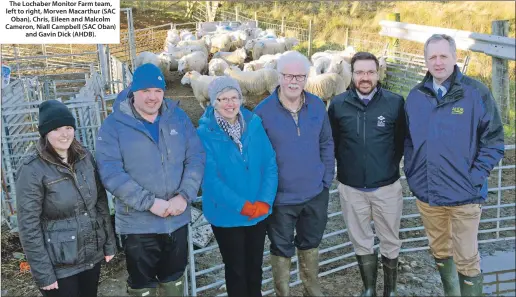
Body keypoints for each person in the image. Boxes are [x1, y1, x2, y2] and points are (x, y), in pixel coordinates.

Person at [404, 34, 505, 296]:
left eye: (443, 56)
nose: (438, 63)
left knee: (467, 257)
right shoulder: (415, 97)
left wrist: (474, 177)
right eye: (432, 57)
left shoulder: (475, 93)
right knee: (439, 249)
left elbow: (493, 141)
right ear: (425, 60)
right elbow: (409, 142)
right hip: (429, 195)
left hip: (465, 196)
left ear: (455, 57)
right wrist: (414, 175)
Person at [95, 63, 206, 296]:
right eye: (145, 91)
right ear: (133, 91)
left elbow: (195, 156)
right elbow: (111, 173)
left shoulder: (178, 117)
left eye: (157, 90)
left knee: (174, 280)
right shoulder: (113, 126)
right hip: (138, 225)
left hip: (176, 219)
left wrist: (184, 195)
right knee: (142, 285)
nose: (152, 97)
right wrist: (150, 203)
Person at [254, 50, 335, 297]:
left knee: (311, 243)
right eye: (288, 75)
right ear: (279, 76)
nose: (293, 81)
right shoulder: (262, 112)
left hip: (314, 193)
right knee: (281, 247)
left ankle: (312, 290)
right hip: (281, 198)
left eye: (299, 76)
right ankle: (283, 293)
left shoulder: (317, 106)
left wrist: (326, 179)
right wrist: (268, 192)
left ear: (306, 77)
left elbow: (326, 143)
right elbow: (257, 157)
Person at [15, 100, 116, 297]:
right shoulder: (32, 169)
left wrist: (109, 243)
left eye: (69, 127)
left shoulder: (84, 157)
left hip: (90, 256)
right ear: (45, 133)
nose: (65, 134)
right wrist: (43, 273)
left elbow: (100, 202)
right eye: (57, 129)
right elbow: (28, 225)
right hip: (59, 264)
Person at [328, 51, 406, 297]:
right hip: (351, 188)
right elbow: (333, 142)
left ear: (378, 73)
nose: (365, 77)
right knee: (361, 239)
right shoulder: (338, 104)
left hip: (386, 187)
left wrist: (386, 168)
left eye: (370, 72)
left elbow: (401, 141)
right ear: (352, 74)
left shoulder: (395, 102)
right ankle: (369, 288)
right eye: (360, 72)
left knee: (390, 239)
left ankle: (390, 290)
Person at [197, 76, 278, 297]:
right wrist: (242, 205)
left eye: (234, 97)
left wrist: (264, 201)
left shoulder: (254, 124)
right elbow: (210, 179)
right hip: (227, 214)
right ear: (214, 102)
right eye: (223, 98)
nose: (230, 103)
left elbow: (269, 163)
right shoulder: (205, 133)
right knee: (236, 271)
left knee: (254, 268)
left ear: (240, 99)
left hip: (257, 211)